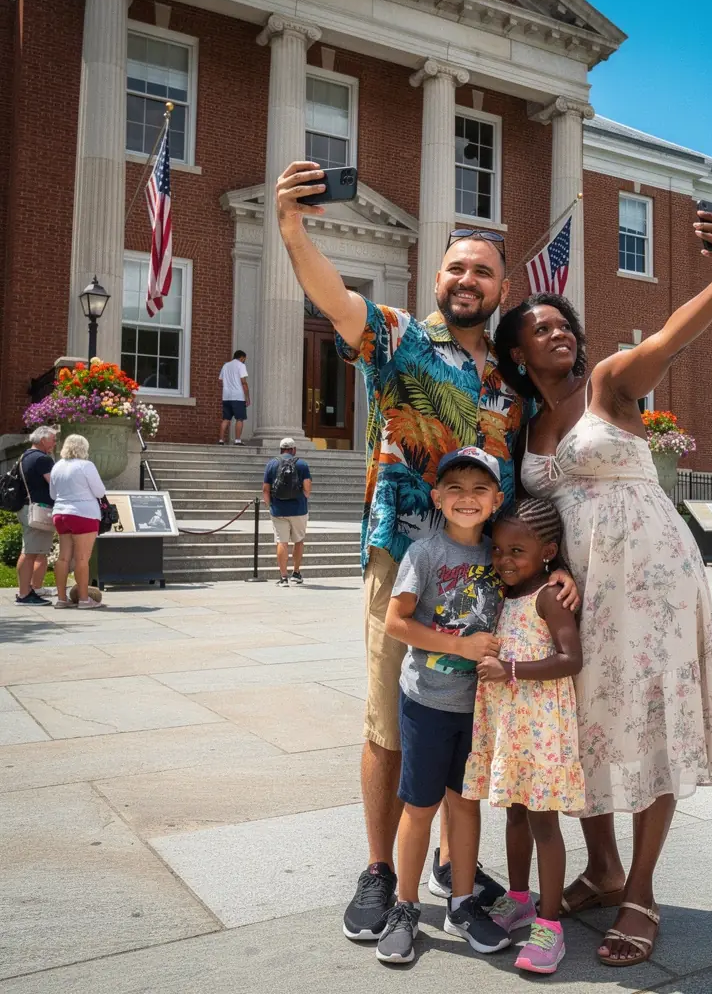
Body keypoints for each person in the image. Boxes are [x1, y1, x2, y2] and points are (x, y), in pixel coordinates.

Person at [274, 160, 579, 943]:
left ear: (502, 288)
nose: (467, 279)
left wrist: (554, 565)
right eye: (456, 268)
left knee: (465, 722)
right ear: (437, 278)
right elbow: (336, 300)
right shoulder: (400, 340)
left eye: (482, 270)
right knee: (392, 718)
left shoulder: (511, 386)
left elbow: (529, 483)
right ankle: (381, 868)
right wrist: (293, 230)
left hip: (490, 575)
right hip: (405, 557)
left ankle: (453, 866)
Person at [494, 204, 712, 967]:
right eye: (540, 328)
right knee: (584, 719)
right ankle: (601, 869)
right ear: (517, 352)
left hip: (651, 574)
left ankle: (640, 891)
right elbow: (535, 512)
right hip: (581, 582)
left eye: (563, 323)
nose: (559, 332)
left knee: (651, 713)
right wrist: (551, 568)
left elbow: (667, 338)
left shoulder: (607, 385)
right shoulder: (526, 423)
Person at [374, 448, 511, 966]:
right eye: (455, 488)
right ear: (437, 498)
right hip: (428, 702)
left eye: (479, 489)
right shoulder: (425, 553)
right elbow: (396, 622)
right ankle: (405, 907)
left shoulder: (499, 555)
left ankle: (461, 903)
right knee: (421, 807)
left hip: (477, 708)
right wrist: (460, 646)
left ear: (496, 499)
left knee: (466, 804)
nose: (467, 498)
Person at [463, 499, 585, 975]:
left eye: (517, 551)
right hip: (510, 726)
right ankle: (518, 899)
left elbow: (571, 659)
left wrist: (509, 669)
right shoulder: (505, 593)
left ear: (547, 552)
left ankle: (550, 925)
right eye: (497, 550)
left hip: (542, 730)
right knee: (515, 813)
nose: (504, 559)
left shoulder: (549, 596)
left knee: (543, 823)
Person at [49, 434, 106, 610]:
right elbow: (100, 491)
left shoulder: (57, 466)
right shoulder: (86, 465)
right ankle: (83, 599)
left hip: (60, 513)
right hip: (83, 514)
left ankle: (61, 599)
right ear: (84, 448)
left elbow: (52, 494)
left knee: (63, 557)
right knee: (82, 559)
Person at [15, 426, 57, 606]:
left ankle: (31, 590)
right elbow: (54, 484)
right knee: (30, 552)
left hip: (27, 508)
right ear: (43, 440)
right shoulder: (42, 459)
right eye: (53, 440)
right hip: (37, 510)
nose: (54, 443)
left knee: (35, 551)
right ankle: (24, 594)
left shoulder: (25, 456)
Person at [262, 438, 312, 586]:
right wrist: (303, 497)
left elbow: (265, 489)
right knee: (299, 541)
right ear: (294, 449)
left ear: (281, 449)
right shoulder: (302, 464)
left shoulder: (272, 464)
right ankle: (296, 573)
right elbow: (307, 488)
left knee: (281, 542)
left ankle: (283, 577)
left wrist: (270, 505)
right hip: (299, 509)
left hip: (279, 510)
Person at [219, 350, 250, 445]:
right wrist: (247, 397)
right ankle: (237, 440)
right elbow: (243, 382)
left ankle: (221, 440)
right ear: (242, 357)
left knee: (226, 419)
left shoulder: (225, 365)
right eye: (244, 359)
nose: (244, 360)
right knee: (239, 418)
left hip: (226, 396)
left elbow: (221, 380)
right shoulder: (241, 365)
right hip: (238, 396)